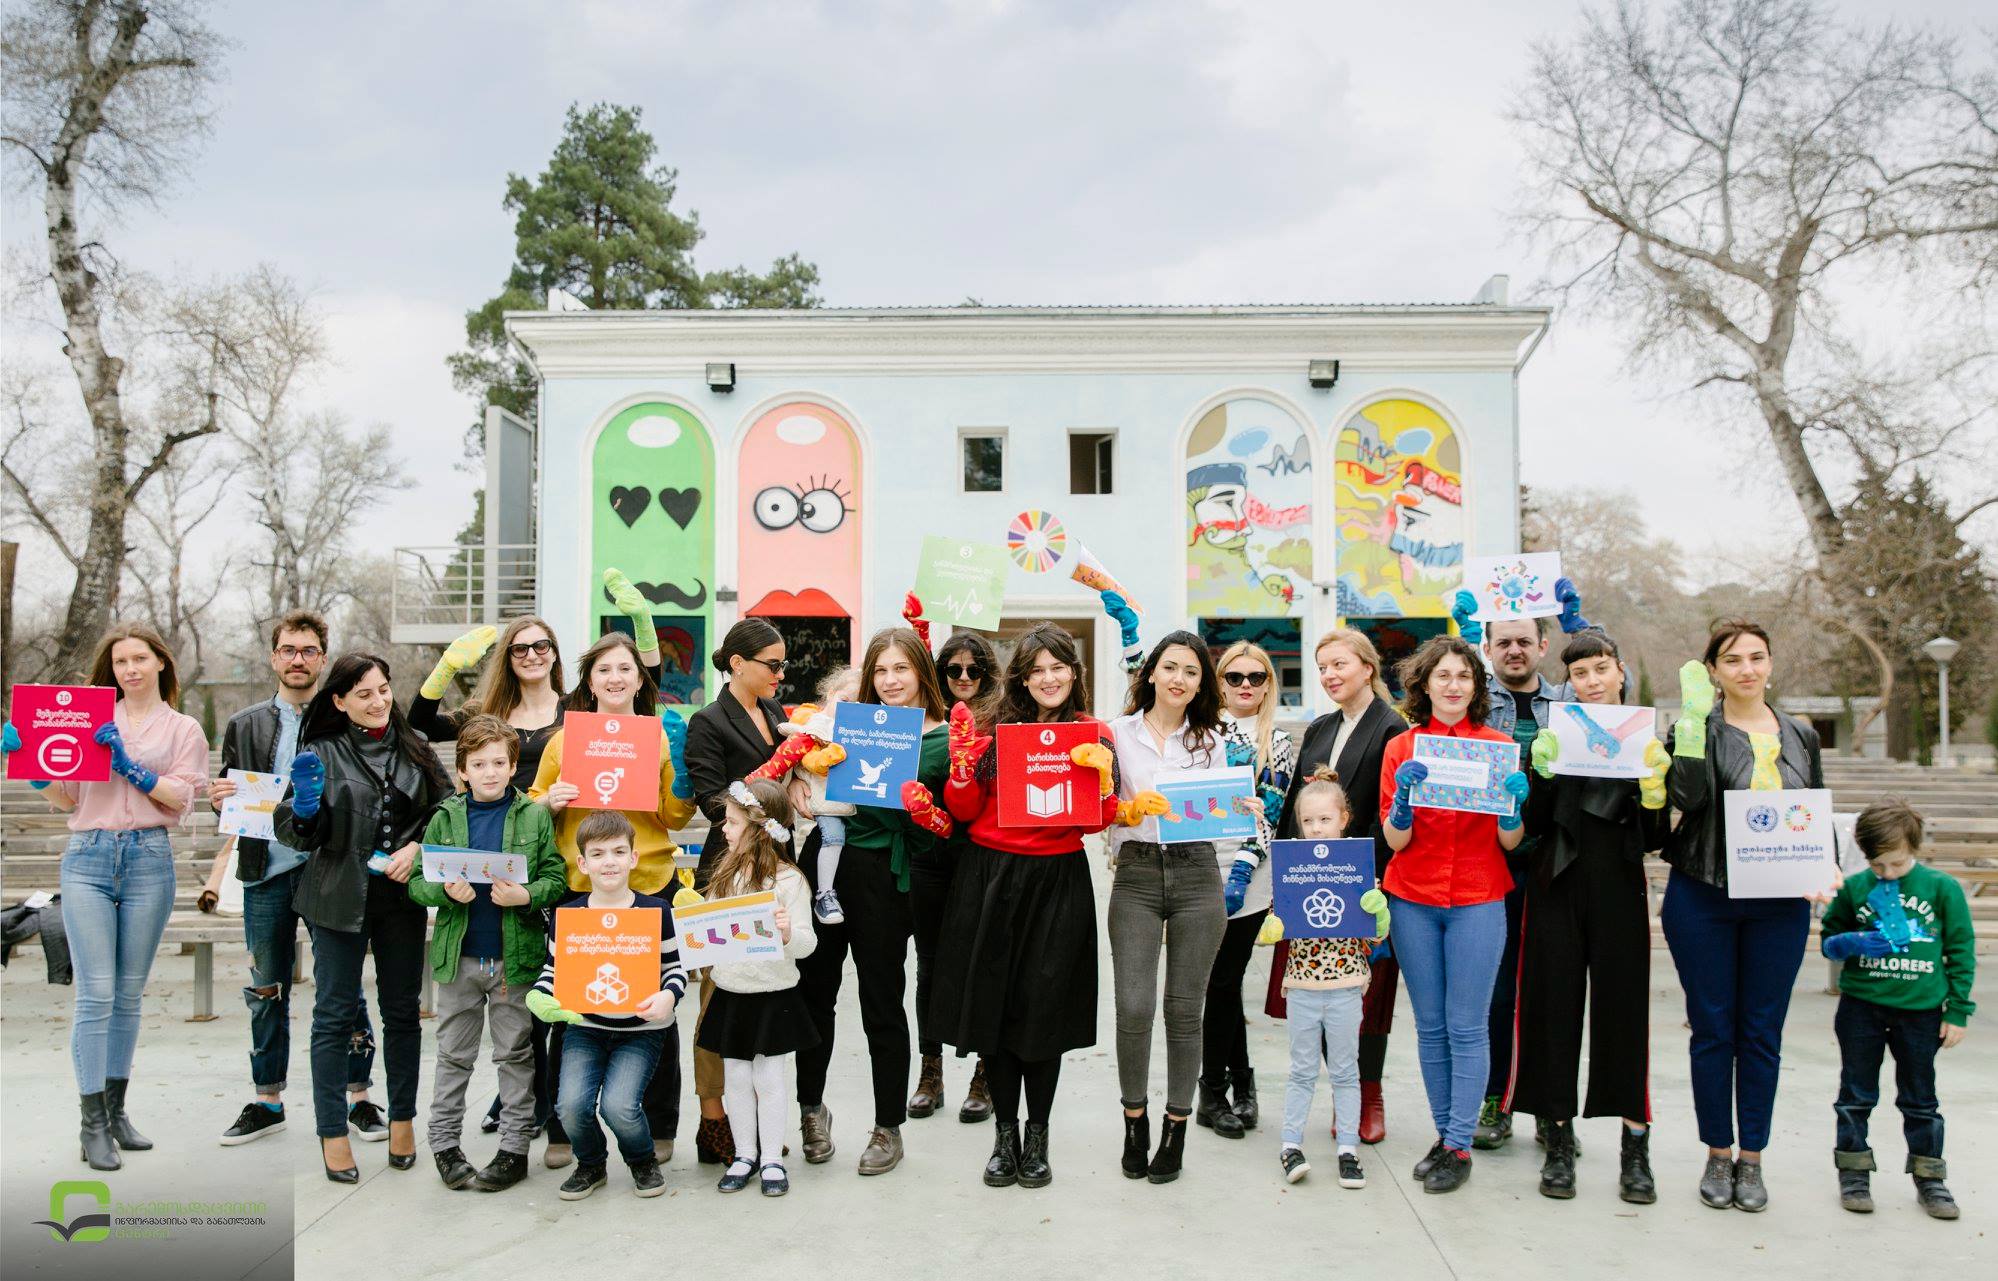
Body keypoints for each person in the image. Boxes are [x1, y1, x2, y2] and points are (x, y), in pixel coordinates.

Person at [5, 623, 207, 1171]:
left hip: (148, 860)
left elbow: (181, 797)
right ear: (111, 670)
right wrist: (30, 767)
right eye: (120, 662)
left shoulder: (183, 728)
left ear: (160, 662)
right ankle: (91, 1124)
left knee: (128, 994)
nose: (130, 669)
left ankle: (116, 1112)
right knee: (96, 994)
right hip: (89, 858)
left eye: (140, 658)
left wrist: (130, 767)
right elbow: (66, 797)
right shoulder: (86, 717)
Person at [934, 623, 1124, 1190]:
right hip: (990, 877)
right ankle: (1004, 1136)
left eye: (1058, 667)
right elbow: (963, 810)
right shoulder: (992, 730)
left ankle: (1037, 1137)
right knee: (994, 1010)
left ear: (1074, 673)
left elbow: (1096, 820)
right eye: (1036, 669)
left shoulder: (1093, 734)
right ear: (1021, 677)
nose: (1048, 678)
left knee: (1044, 1013)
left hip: (1056, 881)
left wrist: (1103, 779)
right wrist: (962, 769)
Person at [1660, 619, 1825, 1212]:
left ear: (1771, 663)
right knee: (1712, 1029)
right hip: (1704, 893)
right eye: (1732, 660)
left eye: (1756, 657)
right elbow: (1687, 799)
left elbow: (1813, 808)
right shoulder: (1695, 728)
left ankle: (1752, 1157)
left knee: (1761, 1031)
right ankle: (1717, 1151)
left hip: (1779, 904)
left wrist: (1824, 866)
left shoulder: (1801, 734)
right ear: (1713, 671)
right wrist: (1691, 729)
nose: (1747, 669)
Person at [274, 652, 455, 1182]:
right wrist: (305, 812)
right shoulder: (320, 751)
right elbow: (293, 830)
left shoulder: (415, 746)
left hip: (401, 898)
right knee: (333, 1015)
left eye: (382, 690)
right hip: (337, 896)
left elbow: (447, 810)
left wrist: (419, 848)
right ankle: (332, 1130)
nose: (378, 702)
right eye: (363, 694)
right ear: (338, 701)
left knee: (402, 1012)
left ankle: (402, 1119)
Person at [207, 612, 385, 1148]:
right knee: (266, 986)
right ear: (274, 657)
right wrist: (219, 799)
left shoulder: (344, 719)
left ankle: (358, 1097)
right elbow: (231, 796)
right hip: (266, 870)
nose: (298, 659)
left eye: (308, 651)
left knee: (343, 985)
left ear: (323, 659)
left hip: (329, 868)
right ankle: (267, 1099)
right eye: (288, 650)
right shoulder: (244, 724)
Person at [1510, 631, 1671, 1202]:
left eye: (1601, 669)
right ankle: (1557, 1138)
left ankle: (1635, 1147)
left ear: (1620, 670)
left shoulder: (1644, 737)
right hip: (1556, 882)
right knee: (1551, 1010)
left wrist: (1655, 791)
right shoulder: (1557, 734)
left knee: (1623, 1013)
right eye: (1580, 673)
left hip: (1619, 884)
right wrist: (1539, 776)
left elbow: (1655, 837)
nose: (1592, 681)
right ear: (1569, 682)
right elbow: (1532, 824)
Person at [529, 631, 697, 1168]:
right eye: (604, 670)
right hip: (582, 888)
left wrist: (682, 778)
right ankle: (564, 1128)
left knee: (656, 1009)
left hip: (648, 884)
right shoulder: (563, 741)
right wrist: (550, 802)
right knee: (570, 1010)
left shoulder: (658, 737)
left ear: (640, 680)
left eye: (625, 668)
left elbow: (674, 817)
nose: (615, 678)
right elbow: (532, 805)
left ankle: (660, 1123)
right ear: (589, 682)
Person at [792, 627, 954, 1177]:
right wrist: (794, 781)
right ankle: (811, 1109)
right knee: (815, 993)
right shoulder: (851, 724)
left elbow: (953, 820)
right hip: (827, 861)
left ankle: (888, 1126)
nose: (890, 680)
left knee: (882, 1001)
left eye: (901, 668)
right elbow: (800, 754)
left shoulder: (944, 740)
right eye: (880, 670)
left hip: (886, 873)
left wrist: (928, 810)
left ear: (922, 673)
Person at [1451, 577, 1603, 1150]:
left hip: (1557, 864)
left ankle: (1545, 1102)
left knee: (1551, 989)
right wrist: (1463, 640)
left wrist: (1580, 625)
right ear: (1488, 648)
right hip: (1490, 863)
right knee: (1494, 990)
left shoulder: (1567, 703)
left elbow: (1613, 683)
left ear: (1543, 645)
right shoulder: (1475, 700)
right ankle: (1495, 1096)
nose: (1514, 651)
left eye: (1524, 641)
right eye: (1502, 642)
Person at [1378, 635, 1530, 1194]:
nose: (1453, 685)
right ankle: (1446, 1136)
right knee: (1431, 1026)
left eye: (1464, 676)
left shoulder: (1497, 747)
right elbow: (1395, 840)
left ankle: (1460, 1145)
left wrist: (1512, 808)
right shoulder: (1402, 748)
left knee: (1467, 1026)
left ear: (1476, 686)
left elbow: (1511, 842)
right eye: (1442, 675)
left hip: (1478, 899)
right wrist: (1403, 803)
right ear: (1424, 684)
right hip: (1413, 898)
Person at [409, 714, 568, 1192]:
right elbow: (418, 883)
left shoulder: (533, 816)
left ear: (513, 765)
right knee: (453, 1055)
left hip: (513, 960)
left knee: (515, 1055)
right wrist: (444, 892)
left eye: (499, 762)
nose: (490, 772)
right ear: (463, 770)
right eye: (479, 764)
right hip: (458, 959)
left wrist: (526, 895)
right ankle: (444, 1145)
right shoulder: (444, 817)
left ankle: (514, 1150)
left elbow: (555, 877)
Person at [1268, 628, 1408, 1144]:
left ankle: (1368, 1094)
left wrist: (1372, 876)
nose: (1329, 675)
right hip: (1311, 881)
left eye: (1339, 664)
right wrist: (1287, 874)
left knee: (1367, 994)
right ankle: (1338, 1090)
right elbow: (1296, 809)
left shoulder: (1391, 727)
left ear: (1367, 668)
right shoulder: (1320, 728)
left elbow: (1387, 808)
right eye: (1322, 667)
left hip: (1366, 880)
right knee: (1317, 992)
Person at [1106, 631, 1232, 1181]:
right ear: (1151, 672)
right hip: (1136, 872)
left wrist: (1240, 808)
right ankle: (1134, 1121)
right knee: (1134, 1006)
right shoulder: (1116, 734)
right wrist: (1129, 809)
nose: (1179, 679)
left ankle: (1176, 1128)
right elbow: (1100, 806)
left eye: (1192, 672)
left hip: (1197, 872)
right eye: (1171, 667)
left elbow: (1220, 816)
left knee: (1184, 1010)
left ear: (1201, 685)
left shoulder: (1212, 741)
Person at [1820, 797, 1975, 1220]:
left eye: (1896, 864)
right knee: (1855, 1096)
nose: (1887, 873)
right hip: (1862, 1007)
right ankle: (1853, 1173)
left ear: (1914, 849)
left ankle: (1930, 1177)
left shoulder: (1942, 888)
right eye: (1878, 865)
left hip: (1921, 1011)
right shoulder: (1856, 888)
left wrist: (1957, 1010)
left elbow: (1961, 950)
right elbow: (1829, 941)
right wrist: (1851, 942)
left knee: (1920, 1098)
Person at [526, 810, 685, 1200]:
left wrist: (668, 996)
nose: (609, 862)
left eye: (618, 851)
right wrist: (540, 994)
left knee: (619, 1107)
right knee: (570, 1106)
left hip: (641, 1031)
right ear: (582, 863)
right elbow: (554, 969)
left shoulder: (657, 912)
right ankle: (591, 1163)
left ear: (634, 858)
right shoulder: (568, 916)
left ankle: (641, 1160)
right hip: (586, 1027)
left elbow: (675, 969)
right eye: (597, 854)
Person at [683, 618, 790, 1165]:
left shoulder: (776, 712)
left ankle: (757, 1122)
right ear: (737, 664)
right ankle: (714, 1119)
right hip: (726, 872)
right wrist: (764, 806)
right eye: (773, 664)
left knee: (764, 998)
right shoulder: (708, 721)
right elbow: (710, 798)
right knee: (717, 998)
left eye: (782, 665)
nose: (780, 673)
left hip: (776, 868)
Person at [1258, 767, 1391, 1187]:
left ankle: (1348, 1149)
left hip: (1347, 985)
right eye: (1308, 820)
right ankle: (1290, 1144)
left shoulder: (1359, 868)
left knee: (1346, 1070)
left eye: (1325, 819)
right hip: (1302, 985)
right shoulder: (1292, 868)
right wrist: (1272, 927)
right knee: (1301, 1069)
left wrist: (1379, 913)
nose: (1316, 828)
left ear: (1344, 819)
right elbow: (1275, 922)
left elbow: (1376, 936)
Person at [698, 779, 820, 1196]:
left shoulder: (790, 882)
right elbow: (711, 932)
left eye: (732, 822)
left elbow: (807, 944)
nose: (724, 829)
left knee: (769, 1079)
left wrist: (787, 935)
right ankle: (745, 1154)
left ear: (759, 829)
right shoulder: (725, 874)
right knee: (736, 1076)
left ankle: (771, 1158)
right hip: (732, 992)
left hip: (773, 994)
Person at [1197, 640, 1294, 1139]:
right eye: (1235, 677)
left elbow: (1270, 814)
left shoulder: (1276, 740)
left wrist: (1241, 872)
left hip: (1250, 879)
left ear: (1268, 684)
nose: (1246, 686)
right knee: (1221, 984)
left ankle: (1214, 1091)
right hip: (1200, 870)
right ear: (1220, 682)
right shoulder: (1200, 732)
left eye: (1257, 677)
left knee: (1223, 980)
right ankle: (1239, 1084)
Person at [913, 631, 1000, 1123]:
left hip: (985, 855)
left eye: (975, 670)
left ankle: (985, 1073)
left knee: (984, 963)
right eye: (953, 670)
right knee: (929, 965)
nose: (964, 678)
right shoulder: (923, 719)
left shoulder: (1004, 719)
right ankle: (931, 1071)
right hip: (930, 855)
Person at [750, 666, 859, 924]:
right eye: (844, 700)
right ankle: (825, 894)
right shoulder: (816, 726)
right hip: (826, 803)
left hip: (845, 807)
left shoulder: (855, 730)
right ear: (830, 694)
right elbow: (790, 757)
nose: (848, 710)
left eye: (858, 706)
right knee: (833, 836)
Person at [408, 615, 566, 791]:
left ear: (554, 653)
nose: (531, 655)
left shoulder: (576, 709)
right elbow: (419, 726)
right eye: (520, 649)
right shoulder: (485, 713)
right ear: (508, 659)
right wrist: (446, 667)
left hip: (559, 809)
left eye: (541, 646)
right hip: (496, 809)